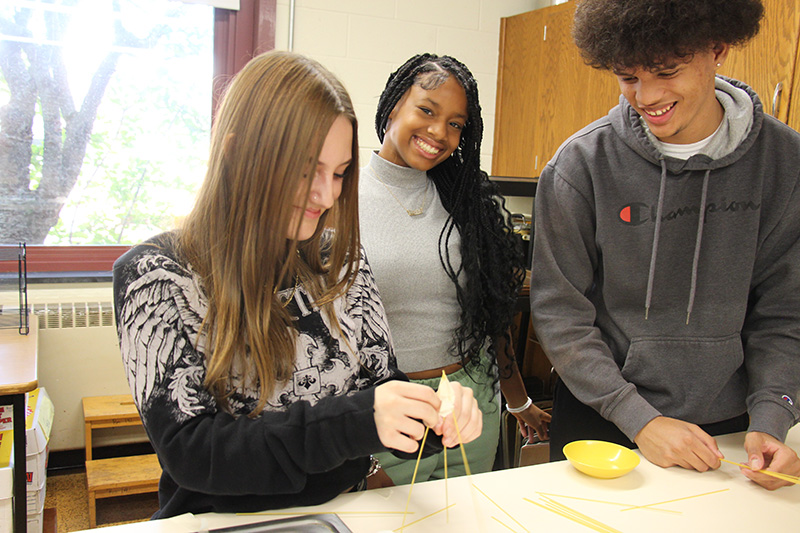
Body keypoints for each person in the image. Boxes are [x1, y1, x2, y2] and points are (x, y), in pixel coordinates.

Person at [112, 51, 482, 518]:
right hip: (218, 521)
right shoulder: (157, 275)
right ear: (235, 152)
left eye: (340, 173)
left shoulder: (342, 260)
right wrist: (358, 422)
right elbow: (193, 453)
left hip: (345, 513)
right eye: (307, 170)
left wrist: (433, 415)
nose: (326, 194)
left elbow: (380, 388)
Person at [530, 0, 800, 489]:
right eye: (628, 76)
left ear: (717, 49)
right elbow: (560, 315)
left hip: (731, 430)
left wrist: (773, 415)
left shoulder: (784, 163)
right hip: (604, 419)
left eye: (666, 71)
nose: (646, 95)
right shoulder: (580, 165)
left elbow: (785, 311)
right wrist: (639, 418)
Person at [359, 53, 551, 487]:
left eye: (456, 124)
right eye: (426, 111)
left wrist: (518, 402)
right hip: (385, 408)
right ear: (393, 106)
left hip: (469, 406)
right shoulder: (339, 193)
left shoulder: (465, 200)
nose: (439, 133)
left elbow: (491, 318)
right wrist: (361, 461)